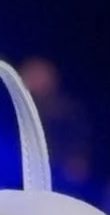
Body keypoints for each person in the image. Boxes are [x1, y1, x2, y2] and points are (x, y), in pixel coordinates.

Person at [19, 56, 91, 196]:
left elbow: (78, 154)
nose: (33, 81)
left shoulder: (66, 112)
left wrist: (76, 163)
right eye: (30, 74)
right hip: (22, 179)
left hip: (58, 183)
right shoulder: (10, 109)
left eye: (39, 76)